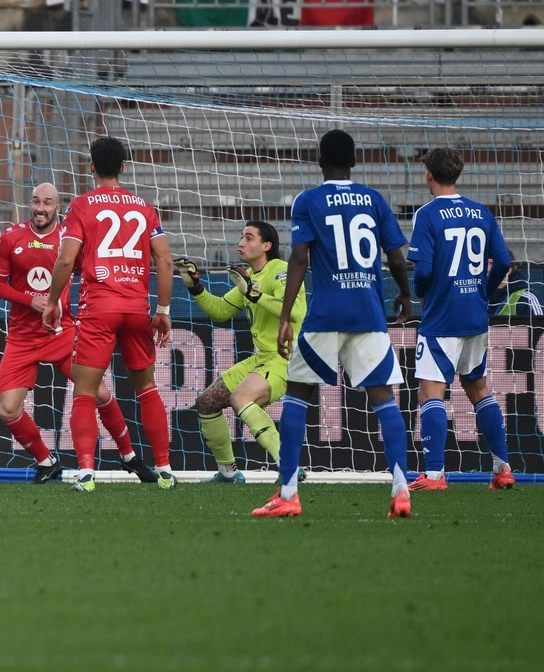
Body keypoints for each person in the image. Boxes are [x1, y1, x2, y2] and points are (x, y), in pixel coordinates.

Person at [255, 129, 414, 519]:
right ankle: (401, 489)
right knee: (384, 400)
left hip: (326, 314)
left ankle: (289, 494)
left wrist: (286, 317)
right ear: (354, 161)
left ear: (320, 161)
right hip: (369, 313)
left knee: (297, 395)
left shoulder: (308, 200)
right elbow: (396, 257)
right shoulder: (374, 200)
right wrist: (406, 295)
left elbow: (299, 259)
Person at [0, 182, 158, 484]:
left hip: (62, 331)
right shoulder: (10, 237)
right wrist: (30, 300)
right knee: (8, 410)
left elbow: (92, 268)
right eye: (36, 201)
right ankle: (46, 460)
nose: (40, 208)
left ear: (58, 207)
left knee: (101, 394)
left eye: (47, 203)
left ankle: (129, 456)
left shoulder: (70, 237)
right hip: (22, 338)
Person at [42, 136, 177, 492]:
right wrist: (162, 309)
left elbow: (67, 258)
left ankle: (86, 473)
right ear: (122, 167)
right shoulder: (144, 207)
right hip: (136, 307)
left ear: (90, 167)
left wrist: (54, 300)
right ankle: (164, 469)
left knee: (85, 392)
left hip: (99, 308)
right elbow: (164, 259)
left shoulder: (81, 207)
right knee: (147, 388)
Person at [406, 147, 515, 491]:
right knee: (479, 389)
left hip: (441, 316)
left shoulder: (427, 214)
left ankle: (435, 474)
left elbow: (422, 271)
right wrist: (483, 291)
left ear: (428, 175)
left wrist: (423, 290)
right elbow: (502, 260)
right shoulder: (481, 212)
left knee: (430, 393)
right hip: (474, 316)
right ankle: (503, 468)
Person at [174, 222, 306, 483]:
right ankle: (228, 473)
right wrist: (195, 286)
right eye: (241, 237)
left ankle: (288, 465)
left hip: (286, 357)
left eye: (249, 238)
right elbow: (220, 311)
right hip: (261, 358)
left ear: (266, 246)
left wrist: (256, 296)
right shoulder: (248, 276)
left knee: (241, 398)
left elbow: (296, 312)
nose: (241, 243)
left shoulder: (281, 271)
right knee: (206, 403)